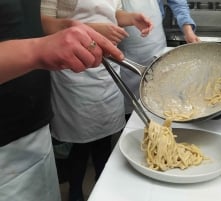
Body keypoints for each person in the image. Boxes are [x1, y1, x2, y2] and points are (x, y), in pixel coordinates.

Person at [0, 0, 124, 201]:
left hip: (35, 131)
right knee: (81, 147)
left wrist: (64, 26)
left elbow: (26, 21)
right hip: (5, 148)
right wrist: (37, 50)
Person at [40, 1, 152, 201]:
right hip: (75, 71)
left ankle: (104, 190)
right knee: (80, 143)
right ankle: (75, 193)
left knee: (104, 138)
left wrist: (131, 18)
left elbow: (113, 13)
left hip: (106, 69)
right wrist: (89, 30)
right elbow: (44, 24)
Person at [118, 0, 200, 120]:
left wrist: (188, 31)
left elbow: (178, 3)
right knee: (133, 114)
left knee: (162, 105)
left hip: (156, 45)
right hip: (127, 57)